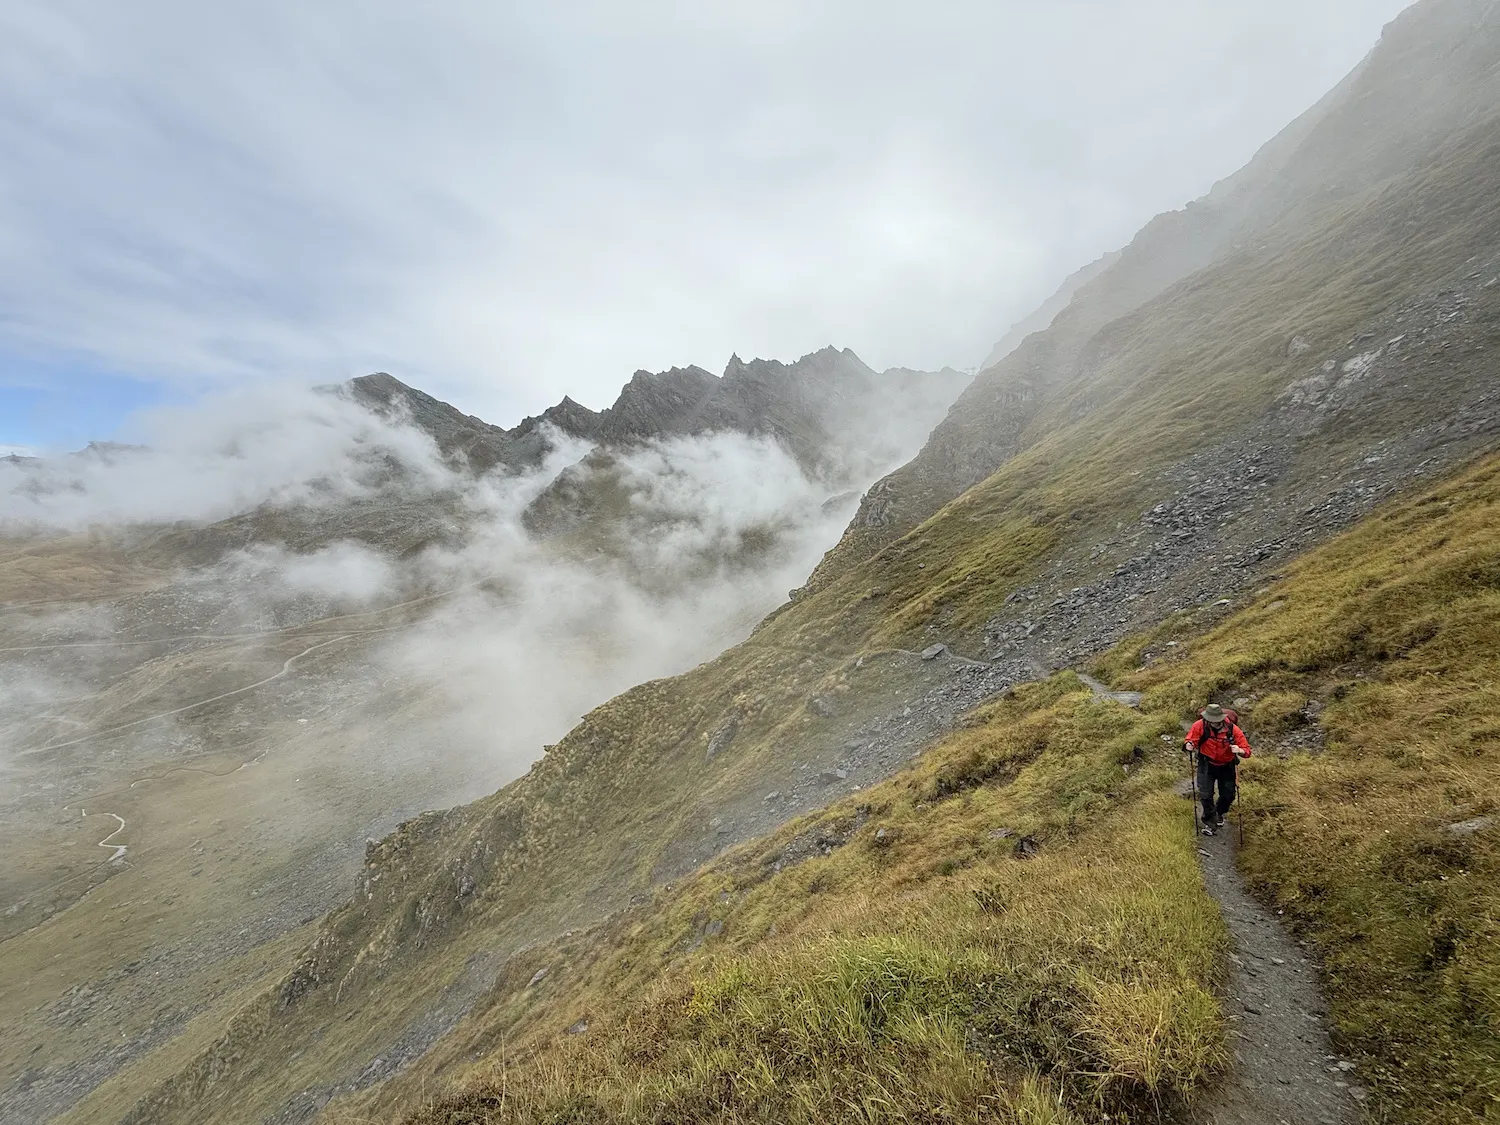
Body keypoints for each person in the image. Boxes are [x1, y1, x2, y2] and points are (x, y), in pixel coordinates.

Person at [1185, 703, 1251, 835]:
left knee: (1228, 796)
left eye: (1215, 721)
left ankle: (1218, 813)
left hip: (1227, 765)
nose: (1212, 723)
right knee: (1205, 795)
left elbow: (1247, 750)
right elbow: (1190, 739)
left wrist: (1240, 750)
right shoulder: (1200, 725)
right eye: (1210, 720)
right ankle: (1210, 822)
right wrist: (1189, 744)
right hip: (1206, 763)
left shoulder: (1233, 729)